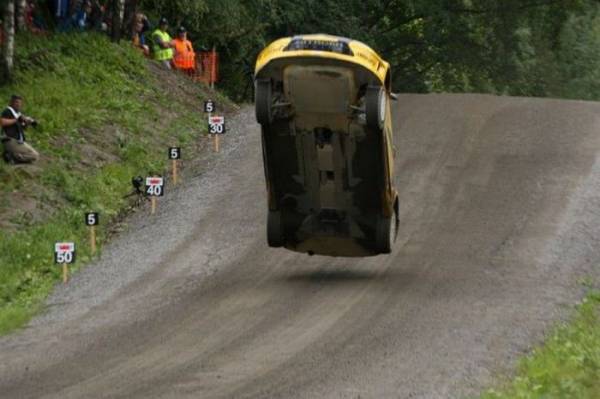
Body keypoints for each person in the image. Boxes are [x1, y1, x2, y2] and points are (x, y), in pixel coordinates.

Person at [1, 95, 39, 164]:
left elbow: (22, 128)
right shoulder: (7, 111)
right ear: (11, 103)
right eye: (16, 102)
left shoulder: (17, 114)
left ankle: (12, 155)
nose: (18, 104)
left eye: (20, 103)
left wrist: (28, 123)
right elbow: (2, 122)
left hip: (18, 141)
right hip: (10, 140)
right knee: (34, 155)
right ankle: (11, 156)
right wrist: (16, 120)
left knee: (34, 155)